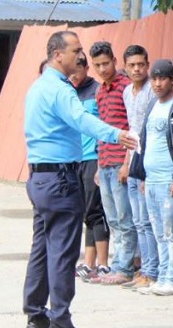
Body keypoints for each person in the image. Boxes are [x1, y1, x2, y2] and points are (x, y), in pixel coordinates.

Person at [22, 30, 136, 328]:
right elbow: (82, 120)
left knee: (42, 248)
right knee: (62, 251)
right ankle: (60, 324)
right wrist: (116, 134)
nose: (80, 56)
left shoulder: (37, 87)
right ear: (57, 54)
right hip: (60, 179)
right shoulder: (60, 90)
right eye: (76, 50)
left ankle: (35, 317)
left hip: (40, 177)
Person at [135, 59, 173, 296]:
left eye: (162, 78)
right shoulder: (151, 106)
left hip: (168, 178)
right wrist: (144, 176)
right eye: (154, 79)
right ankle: (162, 275)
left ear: (171, 81)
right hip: (152, 178)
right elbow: (145, 142)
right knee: (157, 231)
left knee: (172, 231)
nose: (157, 83)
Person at [90, 41, 137, 286]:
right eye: (97, 65)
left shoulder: (126, 88)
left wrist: (126, 163)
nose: (102, 69)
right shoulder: (100, 91)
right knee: (113, 220)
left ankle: (124, 268)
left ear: (115, 61)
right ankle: (119, 264)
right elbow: (100, 129)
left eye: (105, 63)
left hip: (121, 162)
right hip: (105, 162)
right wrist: (99, 165)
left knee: (125, 218)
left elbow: (132, 128)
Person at [69, 55, 111, 284]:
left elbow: (105, 124)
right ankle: (89, 262)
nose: (74, 74)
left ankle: (103, 264)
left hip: (95, 157)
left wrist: (101, 159)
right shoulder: (70, 93)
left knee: (97, 211)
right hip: (77, 158)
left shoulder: (97, 91)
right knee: (86, 212)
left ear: (87, 68)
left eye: (78, 69)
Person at [121, 45, 159, 291]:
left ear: (147, 65)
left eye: (141, 64)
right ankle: (144, 269)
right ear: (125, 67)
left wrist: (146, 171)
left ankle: (152, 270)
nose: (137, 69)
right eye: (132, 65)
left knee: (148, 221)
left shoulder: (151, 92)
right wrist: (126, 163)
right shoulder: (127, 92)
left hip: (149, 162)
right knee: (137, 220)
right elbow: (131, 132)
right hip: (133, 159)